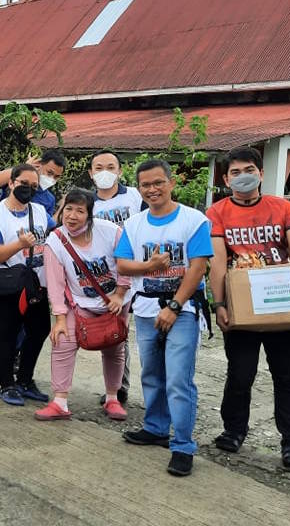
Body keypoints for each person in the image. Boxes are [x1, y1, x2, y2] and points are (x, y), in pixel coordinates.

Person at [207, 146, 290, 471]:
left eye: (249, 170)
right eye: (235, 172)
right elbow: (218, 263)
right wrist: (219, 304)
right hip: (243, 309)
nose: (243, 177)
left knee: (286, 378)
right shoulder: (218, 212)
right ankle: (234, 430)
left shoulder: (283, 208)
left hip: (284, 307)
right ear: (226, 179)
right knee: (240, 374)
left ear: (261, 174)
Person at [114, 159, 212, 477]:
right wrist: (151, 267)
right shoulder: (134, 224)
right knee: (152, 374)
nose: (152, 189)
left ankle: (182, 445)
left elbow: (198, 267)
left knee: (179, 379)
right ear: (139, 189)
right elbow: (123, 265)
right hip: (145, 309)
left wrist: (174, 306)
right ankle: (156, 427)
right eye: (145, 185)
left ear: (171, 183)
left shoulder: (193, 220)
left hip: (181, 310)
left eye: (158, 183)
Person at [0, 149, 66, 373]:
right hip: (3, 272)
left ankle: (15, 357)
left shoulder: (45, 200)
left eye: (57, 176)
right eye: (49, 172)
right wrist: (23, 165)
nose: (51, 179)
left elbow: (51, 227)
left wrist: (64, 209)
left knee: (22, 321)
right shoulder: (0, 211)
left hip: (30, 273)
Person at [37, 188, 131, 421]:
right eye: (68, 209)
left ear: (90, 214)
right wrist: (59, 318)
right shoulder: (55, 240)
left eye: (80, 210)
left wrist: (119, 295)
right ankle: (59, 402)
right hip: (78, 304)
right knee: (63, 343)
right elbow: (56, 284)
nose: (72, 215)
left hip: (115, 301)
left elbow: (125, 263)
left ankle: (112, 399)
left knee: (114, 349)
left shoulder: (110, 231)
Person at [0, 164, 56, 406]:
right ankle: (7, 385)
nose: (29, 189)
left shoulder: (39, 211)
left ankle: (25, 380)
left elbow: (56, 237)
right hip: (9, 286)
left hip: (37, 285)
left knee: (39, 331)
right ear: (12, 183)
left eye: (34, 186)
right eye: (24, 184)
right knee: (7, 334)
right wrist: (19, 244)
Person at [89, 149, 144, 407]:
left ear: (120, 171)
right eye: (98, 168)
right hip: (107, 279)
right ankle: (118, 388)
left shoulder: (134, 195)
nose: (105, 173)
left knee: (143, 333)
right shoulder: (89, 203)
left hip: (140, 272)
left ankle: (156, 392)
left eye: (110, 167)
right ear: (90, 173)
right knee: (116, 333)